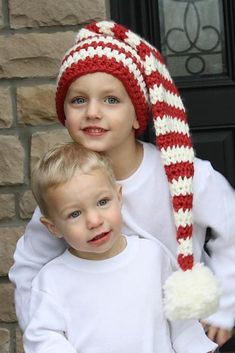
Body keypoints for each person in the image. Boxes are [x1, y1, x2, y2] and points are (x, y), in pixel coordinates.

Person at [9, 20, 235, 347]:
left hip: (168, 333)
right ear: (64, 114)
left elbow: (231, 223)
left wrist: (223, 306)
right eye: (78, 101)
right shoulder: (66, 191)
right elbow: (30, 267)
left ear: (137, 116)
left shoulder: (182, 175)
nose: (93, 112)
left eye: (111, 100)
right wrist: (46, 336)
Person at [23, 141, 217, 353]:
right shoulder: (52, 280)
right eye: (75, 214)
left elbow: (181, 322)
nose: (94, 221)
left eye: (103, 202)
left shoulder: (151, 257)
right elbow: (43, 338)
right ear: (53, 227)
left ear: (119, 197)